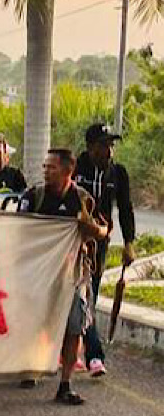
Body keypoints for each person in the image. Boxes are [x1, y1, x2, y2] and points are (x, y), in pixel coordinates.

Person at [18, 149, 108, 405]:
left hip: (73, 276)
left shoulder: (82, 199)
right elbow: (16, 225)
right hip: (39, 274)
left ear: (69, 171)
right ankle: (31, 368)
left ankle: (66, 384)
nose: (46, 171)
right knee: (37, 325)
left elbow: (103, 230)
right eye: (45, 167)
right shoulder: (34, 196)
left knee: (73, 329)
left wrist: (90, 229)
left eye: (52, 168)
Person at [73, 123, 136, 377]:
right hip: (72, 243)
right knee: (78, 297)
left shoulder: (118, 174)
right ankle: (93, 355)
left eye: (111, 145)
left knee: (91, 296)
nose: (108, 151)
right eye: (103, 145)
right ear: (90, 148)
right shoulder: (76, 168)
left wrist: (129, 243)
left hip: (99, 247)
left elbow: (126, 209)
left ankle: (87, 353)